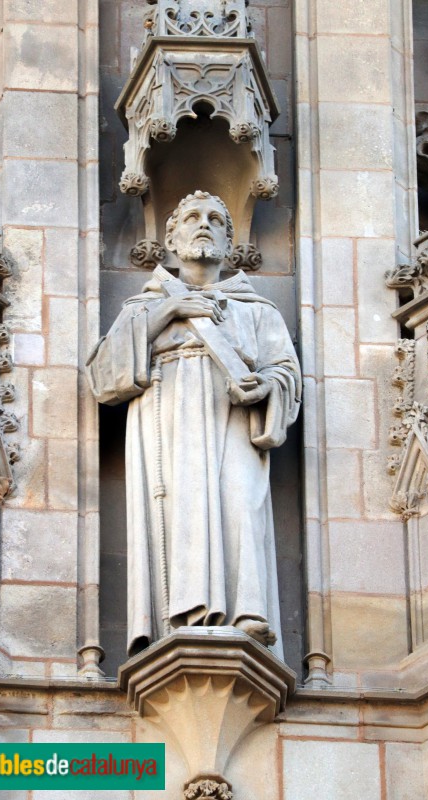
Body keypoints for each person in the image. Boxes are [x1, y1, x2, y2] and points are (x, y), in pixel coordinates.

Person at [86, 191, 301, 660]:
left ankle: (247, 615)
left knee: (240, 501)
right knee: (180, 513)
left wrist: (263, 386)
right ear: (172, 237)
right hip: (167, 424)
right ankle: (176, 625)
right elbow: (103, 378)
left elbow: (286, 372)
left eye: (216, 220)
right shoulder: (142, 310)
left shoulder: (257, 311)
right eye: (191, 218)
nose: (204, 225)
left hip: (233, 422)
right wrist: (173, 311)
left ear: (229, 239)